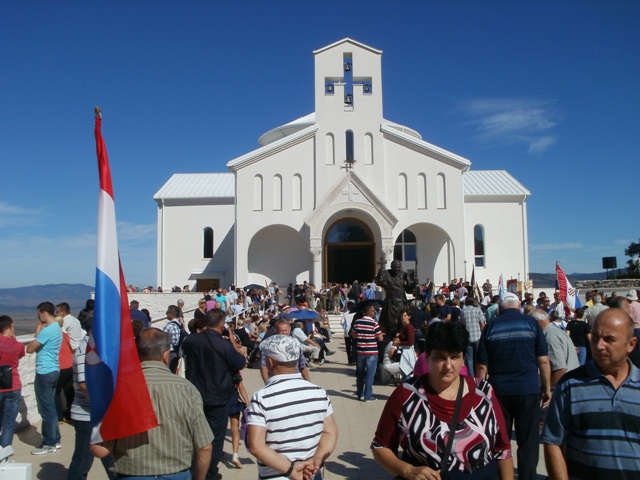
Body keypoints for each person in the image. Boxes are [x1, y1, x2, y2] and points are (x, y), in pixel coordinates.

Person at [372, 321, 513, 479]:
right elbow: (380, 446)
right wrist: (407, 469)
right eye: (440, 357)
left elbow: (503, 449)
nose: (448, 366)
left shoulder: (484, 392)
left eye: (454, 357)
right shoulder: (406, 395)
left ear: (463, 358)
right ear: (427, 358)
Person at [91, 328, 214, 480]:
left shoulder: (119, 389)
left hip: (131, 474)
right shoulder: (187, 389)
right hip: (177, 474)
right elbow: (204, 446)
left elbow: (99, 449)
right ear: (165, 355)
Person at [542, 308, 640, 479]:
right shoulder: (570, 385)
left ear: (630, 344)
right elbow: (552, 441)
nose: (599, 346)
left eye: (609, 339)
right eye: (595, 338)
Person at [476, 293, 551, 480]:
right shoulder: (532, 324)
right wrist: (547, 388)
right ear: (518, 306)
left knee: (501, 440)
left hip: (499, 392)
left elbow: (482, 366)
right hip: (528, 389)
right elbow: (543, 360)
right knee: (528, 440)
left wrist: (480, 393)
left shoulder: (491, 326)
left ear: (500, 309)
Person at [247, 334, 338, 480]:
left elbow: (255, 445)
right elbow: (330, 431)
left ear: (270, 362)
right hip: (311, 473)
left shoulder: (262, 397)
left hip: (276, 475)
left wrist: (291, 469)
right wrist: (317, 459)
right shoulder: (318, 392)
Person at [182, 308, 247, 480]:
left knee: (195, 434)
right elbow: (240, 362)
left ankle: (194, 467)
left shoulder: (191, 340)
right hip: (217, 397)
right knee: (215, 437)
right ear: (221, 324)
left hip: (195, 394)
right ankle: (209, 472)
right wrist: (231, 340)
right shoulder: (223, 344)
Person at [67, 313, 117, 480]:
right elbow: (84, 385)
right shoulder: (84, 352)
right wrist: (101, 407)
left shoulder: (95, 349)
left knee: (111, 458)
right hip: (87, 416)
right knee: (82, 460)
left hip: (97, 414)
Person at [27, 301, 63, 455]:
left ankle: (49, 442)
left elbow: (30, 348)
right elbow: (38, 339)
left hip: (44, 372)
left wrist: (40, 331)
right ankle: (55, 438)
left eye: (38, 313)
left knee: (45, 409)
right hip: (54, 370)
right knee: (51, 407)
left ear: (43, 312)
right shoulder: (56, 328)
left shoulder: (49, 330)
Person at [529, 308, 579, 387]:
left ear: (537, 322)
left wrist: (547, 389)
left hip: (563, 387)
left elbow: (560, 369)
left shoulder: (549, 337)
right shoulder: (557, 332)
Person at [0, 315, 25, 454]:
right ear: (10, 326)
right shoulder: (17, 345)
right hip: (13, 386)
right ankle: (4, 454)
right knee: (8, 423)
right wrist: (13, 338)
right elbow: (21, 354)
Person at [351, 304, 383, 402]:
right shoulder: (374, 323)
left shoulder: (357, 322)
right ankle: (368, 396)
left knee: (360, 374)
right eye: (373, 311)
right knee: (370, 374)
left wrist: (362, 336)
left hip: (361, 351)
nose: (374, 313)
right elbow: (380, 338)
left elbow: (353, 335)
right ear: (370, 312)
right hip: (372, 352)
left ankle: (360, 393)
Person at [376, 260, 414, 337]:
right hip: (390, 302)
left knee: (401, 321)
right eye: (395, 267)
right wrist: (379, 275)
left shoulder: (404, 275)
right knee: (390, 322)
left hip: (402, 302)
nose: (397, 269)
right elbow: (379, 282)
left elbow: (409, 289)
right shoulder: (386, 274)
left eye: (398, 267)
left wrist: (414, 283)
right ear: (391, 267)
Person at [461, 296, 485, 374]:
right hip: (477, 336)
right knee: (478, 358)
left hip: (468, 337)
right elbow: (482, 324)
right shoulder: (478, 310)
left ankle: (472, 377)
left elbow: (461, 324)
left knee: (469, 359)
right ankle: (478, 374)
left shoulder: (463, 312)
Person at [164, 304, 188, 374]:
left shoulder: (172, 326)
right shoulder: (178, 324)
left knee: (169, 372)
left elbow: (175, 341)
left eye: (167, 312)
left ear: (171, 314)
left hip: (171, 353)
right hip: (172, 353)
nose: (166, 314)